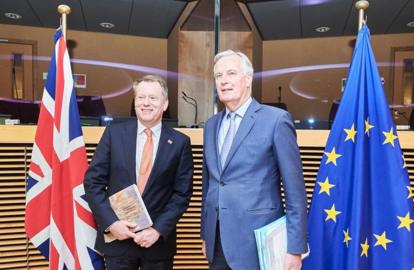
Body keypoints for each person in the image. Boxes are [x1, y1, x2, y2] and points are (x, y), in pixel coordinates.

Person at [200, 50, 308, 270]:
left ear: (248, 78)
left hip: (259, 241)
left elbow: (294, 190)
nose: (224, 80)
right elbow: (209, 184)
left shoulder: (276, 120)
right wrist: (205, 233)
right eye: (218, 75)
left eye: (231, 73)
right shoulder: (211, 125)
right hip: (218, 242)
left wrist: (295, 247)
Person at [84, 75, 194, 269]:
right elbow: (93, 183)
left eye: (153, 98)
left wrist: (158, 230)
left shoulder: (180, 143)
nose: (146, 103)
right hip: (118, 240)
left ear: (165, 103)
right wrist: (111, 223)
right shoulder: (114, 133)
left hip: (157, 244)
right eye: (141, 97)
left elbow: (181, 194)